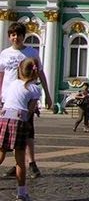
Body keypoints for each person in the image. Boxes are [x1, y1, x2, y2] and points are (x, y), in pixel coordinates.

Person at [0, 21, 51, 179]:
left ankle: (31, 163)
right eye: (13, 35)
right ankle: (18, 163)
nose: (16, 38)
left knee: (28, 131)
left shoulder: (31, 53)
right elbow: (1, 76)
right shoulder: (4, 53)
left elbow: (41, 73)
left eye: (19, 35)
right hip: (7, 99)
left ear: (24, 36)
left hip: (26, 98)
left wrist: (47, 94)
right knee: (6, 134)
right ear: (9, 37)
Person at [0, 58, 42, 201]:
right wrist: (28, 125)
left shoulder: (12, 84)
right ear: (35, 72)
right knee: (20, 161)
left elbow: (5, 100)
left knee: (1, 154)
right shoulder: (35, 89)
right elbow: (30, 111)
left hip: (4, 118)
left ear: (19, 70)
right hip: (19, 122)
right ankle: (21, 194)